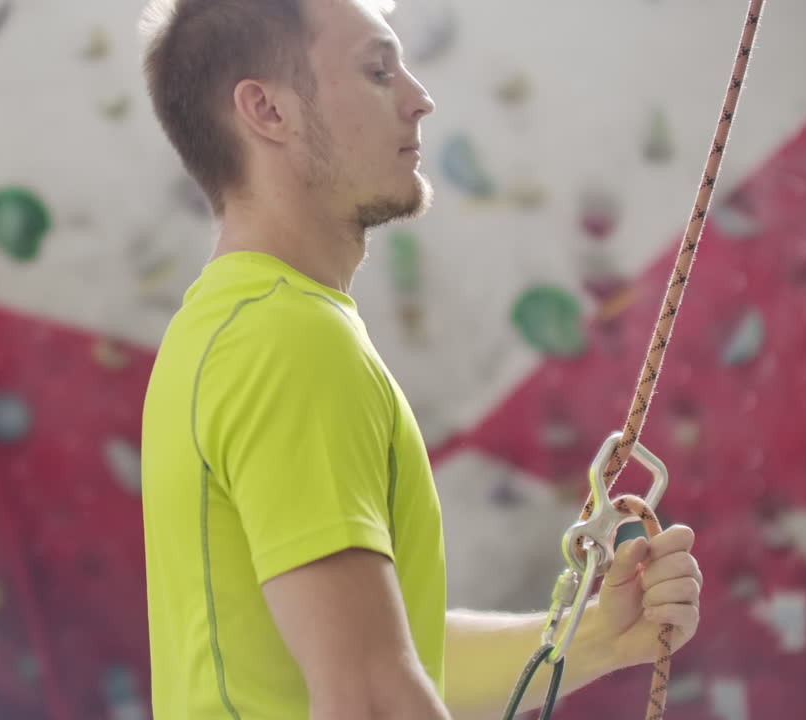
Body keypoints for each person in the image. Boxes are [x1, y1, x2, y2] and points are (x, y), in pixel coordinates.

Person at [135, 0, 704, 717]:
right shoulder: (287, 339)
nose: (419, 98)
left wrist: (593, 636)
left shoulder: (226, 327)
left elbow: (383, 651)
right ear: (267, 111)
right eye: (377, 70)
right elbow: (371, 695)